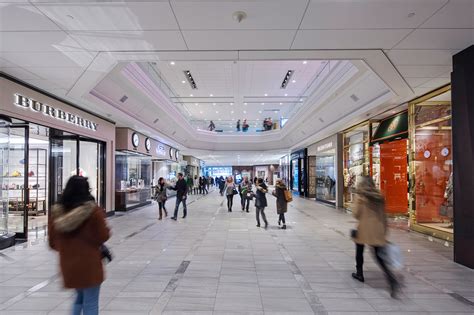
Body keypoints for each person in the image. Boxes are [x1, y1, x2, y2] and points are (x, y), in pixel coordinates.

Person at [48, 176, 110, 315]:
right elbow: (103, 236)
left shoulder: (56, 213)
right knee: (91, 301)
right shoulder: (93, 211)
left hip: (69, 264)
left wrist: (68, 248)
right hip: (90, 264)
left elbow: (52, 242)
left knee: (78, 299)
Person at [351, 176, 400, 298]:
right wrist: (384, 230)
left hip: (364, 229)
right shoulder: (379, 197)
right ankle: (391, 278)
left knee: (359, 250)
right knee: (379, 256)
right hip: (378, 229)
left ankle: (359, 273)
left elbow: (356, 214)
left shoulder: (361, 197)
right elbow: (384, 216)